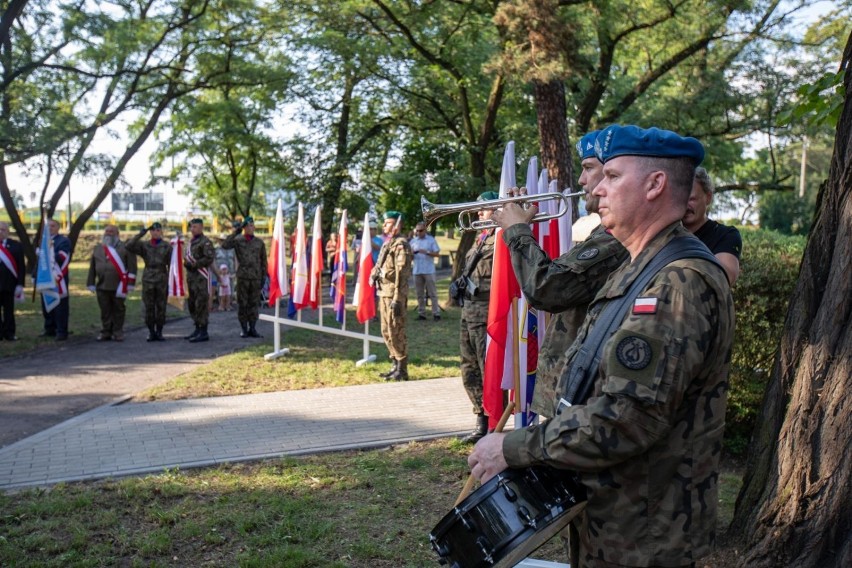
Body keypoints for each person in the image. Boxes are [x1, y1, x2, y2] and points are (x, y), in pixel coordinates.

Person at [469, 125, 735, 568]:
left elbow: (627, 419)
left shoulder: (676, 280)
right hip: (617, 514)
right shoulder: (640, 264)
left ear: (655, 184)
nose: (596, 190)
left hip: (645, 532)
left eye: (612, 176)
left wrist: (513, 447)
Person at [492, 130, 630, 421]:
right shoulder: (605, 232)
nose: (581, 180)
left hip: (583, 399)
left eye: (589, 168)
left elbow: (546, 288)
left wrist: (517, 230)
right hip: (576, 389)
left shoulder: (616, 239)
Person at [457, 192, 498, 443]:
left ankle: (494, 424)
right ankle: (480, 419)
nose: (479, 213)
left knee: (488, 369)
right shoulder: (480, 239)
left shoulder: (501, 239)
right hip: (468, 312)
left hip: (486, 315)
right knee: (469, 368)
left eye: (484, 209)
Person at [370, 211, 413, 381]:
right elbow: (380, 266)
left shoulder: (401, 245)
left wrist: (397, 299)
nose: (384, 226)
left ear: (397, 225)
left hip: (394, 295)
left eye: (388, 223)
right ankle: (394, 364)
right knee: (386, 331)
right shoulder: (389, 244)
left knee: (396, 331)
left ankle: (402, 369)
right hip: (384, 293)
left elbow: (401, 275)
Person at [683, 166, 742, 285]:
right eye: (681, 199)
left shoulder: (725, 235)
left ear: (708, 198)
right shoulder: (665, 234)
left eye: (692, 199)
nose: (686, 205)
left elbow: (726, 276)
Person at [86, 224, 137, 342]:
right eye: (107, 231)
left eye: (111, 231)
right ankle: (106, 331)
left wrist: (130, 283)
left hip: (119, 285)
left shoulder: (126, 248)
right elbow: (92, 267)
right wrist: (91, 282)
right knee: (105, 309)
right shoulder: (98, 248)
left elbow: (132, 267)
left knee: (118, 309)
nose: (108, 233)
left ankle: (118, 331)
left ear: (117, 234)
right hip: (102, 285)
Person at [126, 222, 173, 341]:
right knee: (149, 306)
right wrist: (140, 234)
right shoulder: (144, 245)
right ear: (150, 232)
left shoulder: (167, 246)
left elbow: (172, 264)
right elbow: (129, 246)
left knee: (161, 306)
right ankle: (151, 332)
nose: (155, 232)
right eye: (152, 230)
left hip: (162, 277)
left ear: (161, 231)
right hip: (148, 279)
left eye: (157, 230)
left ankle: (160, 331)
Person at [221, 216, 267, 338]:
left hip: (256, 277)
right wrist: (236, 231)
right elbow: (225, 245)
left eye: (253, 225)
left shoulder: (259, 242)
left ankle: (253, 328)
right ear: (244, 228)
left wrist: (264, 277)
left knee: (254, 303)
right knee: (243, 303)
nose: (251, 228)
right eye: (249, 226)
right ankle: (244, 329)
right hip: (243, 276)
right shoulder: (238, 240)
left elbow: (264, 261)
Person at [183, 218, 216, 342]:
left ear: (201, 227)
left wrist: (196, 264)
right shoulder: (190, 242)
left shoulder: (205, 242)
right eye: (191, 227)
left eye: (195, 227)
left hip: (202, 278)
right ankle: (197, 328)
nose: (193, 229)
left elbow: (209, 258)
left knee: (201, 304)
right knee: (192, 304)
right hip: (191, 278)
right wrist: (187, 264)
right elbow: (186, 257)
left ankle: (203, 331)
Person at [39, 218, 72, 341]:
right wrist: (33, 275)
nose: (50, 228)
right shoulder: (43, 241)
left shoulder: (63, 240)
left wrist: (46, 254)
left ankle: (61, 331)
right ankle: (49, 328)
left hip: (58, 277)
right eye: (48, 226)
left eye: (53, 226)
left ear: (58, 228)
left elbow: (62, 256)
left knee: (60, 306)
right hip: (45, 277)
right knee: (47, 303)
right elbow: (39, 262)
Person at [410, 221, 441, 321]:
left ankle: (436, 313)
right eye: (417, 230)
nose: (419, 232)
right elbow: (409, 256)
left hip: (429, 270)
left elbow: (437, 254)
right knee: (419, 294)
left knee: (433, 293)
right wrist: (411, 254)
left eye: (421, 230)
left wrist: (426, 252)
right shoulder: (413, 241)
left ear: (425, 230)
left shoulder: (431, 240)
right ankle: (422, 314)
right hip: (417, 270)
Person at [0, 221, 25, 341]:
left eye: (3, 230)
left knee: (9, 311)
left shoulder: (16, 245)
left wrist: (20, 284)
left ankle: (9, 333)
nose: (0, 232)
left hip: (9, 284)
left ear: (8, 231)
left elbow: (21, 267)